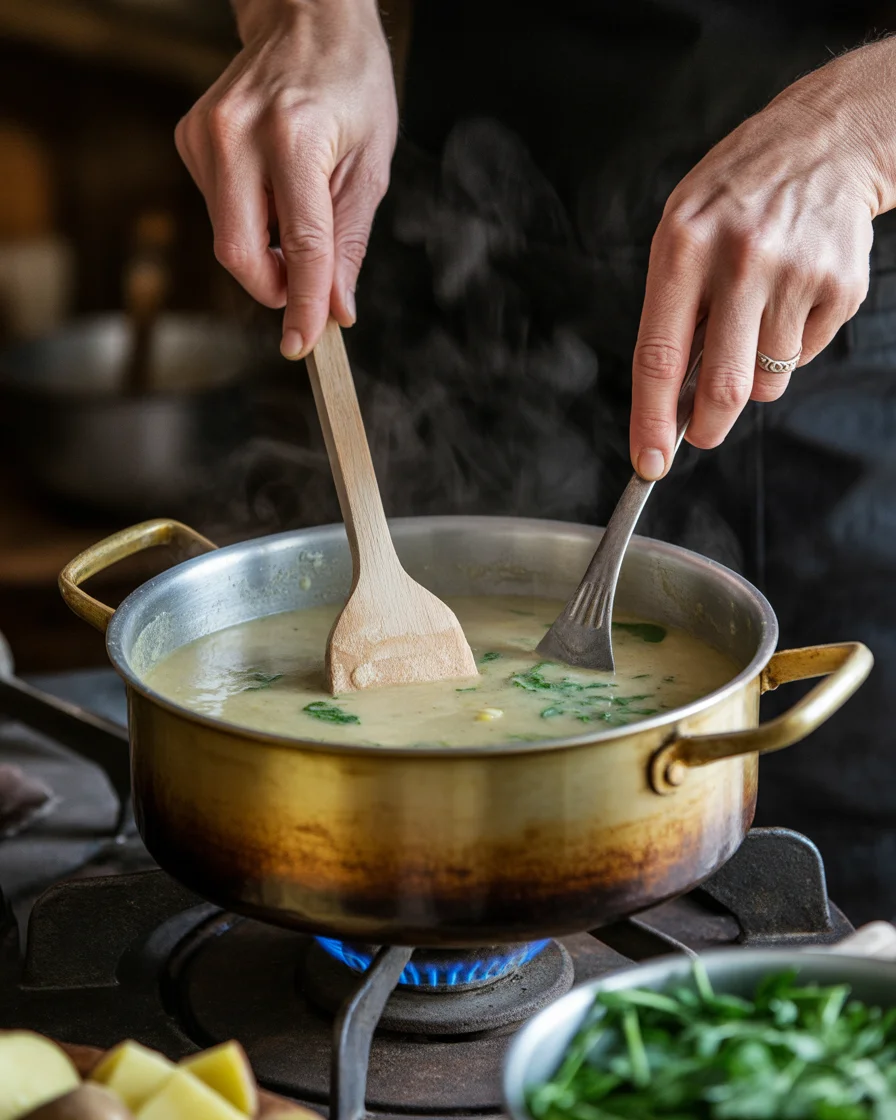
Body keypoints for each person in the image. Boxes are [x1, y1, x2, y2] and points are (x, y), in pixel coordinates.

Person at [176, 0, 896, 922]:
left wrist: (859, 129)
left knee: (843, 883)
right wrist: (310, 16)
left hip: (832, 317)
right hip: (466, 252)